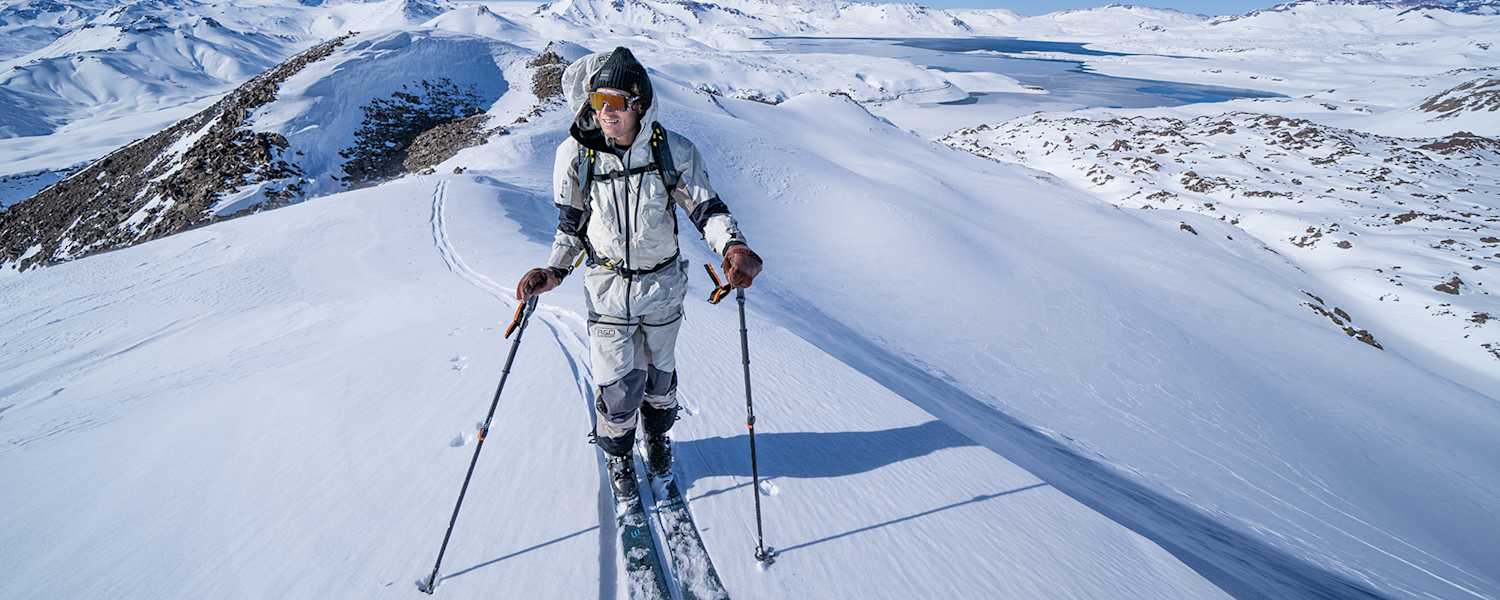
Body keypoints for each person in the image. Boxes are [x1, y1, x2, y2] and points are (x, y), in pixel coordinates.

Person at [514, 47, 763, 498]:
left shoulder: (672, 151)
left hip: (662, 287)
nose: (605, 112)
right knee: (618, 388)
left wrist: (733, 245)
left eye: (615, 102)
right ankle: (618, 455)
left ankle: (657, 437)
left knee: (660, 380)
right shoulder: (577, 156)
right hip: (608, 289)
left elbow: (706, 209)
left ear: (639, 104)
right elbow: (571, 228)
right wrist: (553, 271)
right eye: (597, 102)